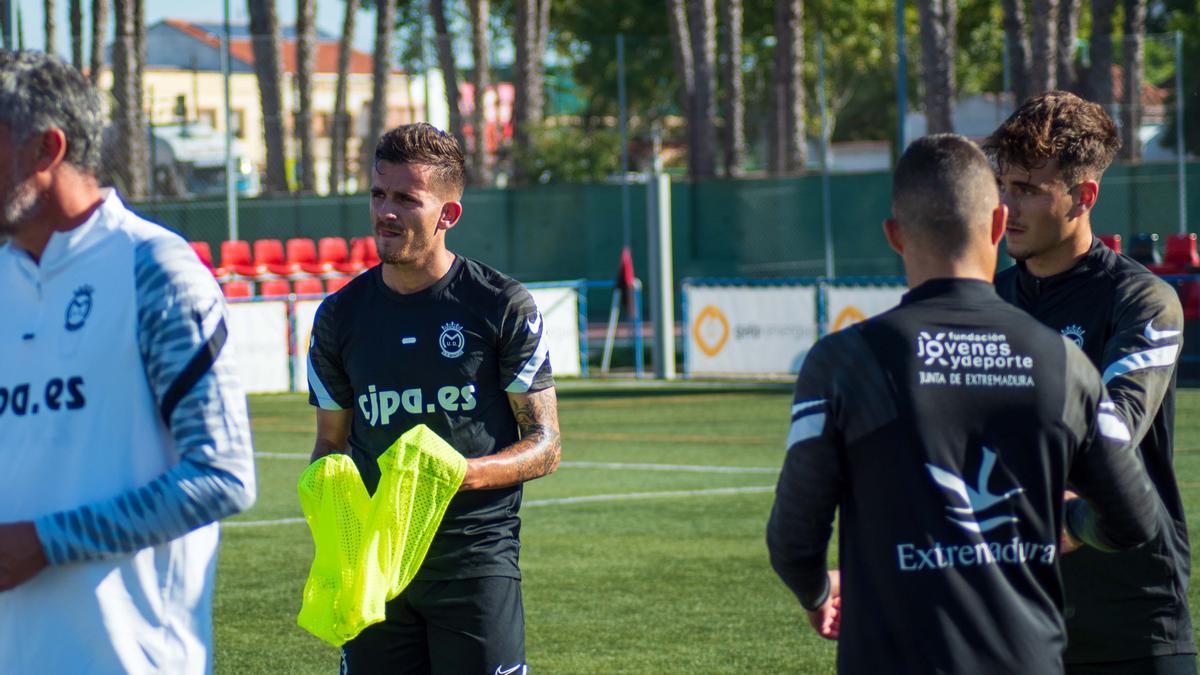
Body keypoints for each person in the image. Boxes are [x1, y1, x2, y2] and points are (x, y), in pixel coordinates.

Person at [766, 134, 1162, 674]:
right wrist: (1065, 518)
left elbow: (793, 540)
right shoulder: (1065, 364)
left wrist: (818, 594)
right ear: (999, 225)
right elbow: (1135, 518)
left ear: (894, 237)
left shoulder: (842, 362)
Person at [0, 50, 256, 673]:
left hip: (130, 660)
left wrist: (46, 542)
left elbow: (222, 474)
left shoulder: (153, 270)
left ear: (45, 150)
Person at [306, 122, 561, 674]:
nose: (385, 212)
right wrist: (337, 528)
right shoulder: (338, 318)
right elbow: (330, 442)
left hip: (473, 560)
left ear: (448, 214)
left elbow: (545, 445)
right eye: (378, 193)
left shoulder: (501, 306)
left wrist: (457, 473)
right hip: (376, 568)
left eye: (406, 199)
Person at [985, 91, 1197, 675]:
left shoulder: (1143, 300)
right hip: (1018, 620)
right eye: (1003, 186)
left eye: (1028, 189)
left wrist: (1070, 516)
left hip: (1132, 620)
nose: (1008, 206)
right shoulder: (989, 303)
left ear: (1083, 197)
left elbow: (1116, 425)